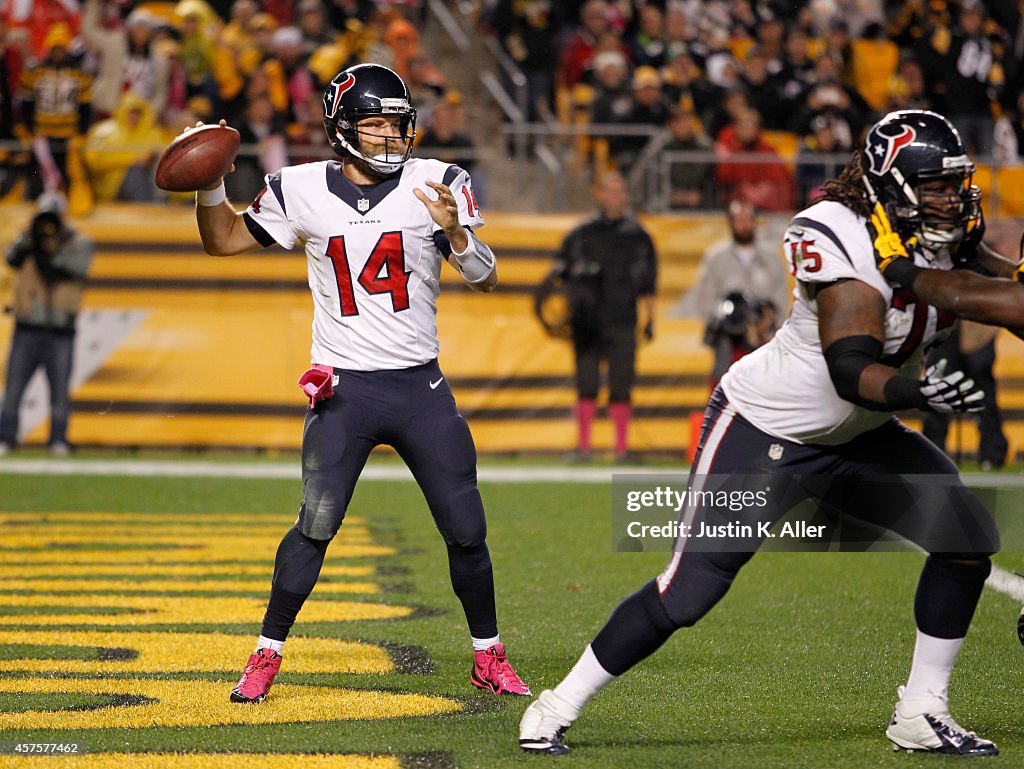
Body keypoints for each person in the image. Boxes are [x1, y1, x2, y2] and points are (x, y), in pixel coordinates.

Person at [520, 110, 1005, 757]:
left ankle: (921, 710)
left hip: (857, 433)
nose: (955, 198)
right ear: (892, 185)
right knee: (688, 591)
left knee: (967, 538)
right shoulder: (837, 232)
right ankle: (555, 704)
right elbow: (848, 366)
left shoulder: (941, 237)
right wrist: (916, 392)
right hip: (767, 429)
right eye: (938, 185)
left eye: (956, 183)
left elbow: (999, 294)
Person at [183, 63, 530, 703]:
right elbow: (224, 240)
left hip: (419, 387)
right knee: (315, 522)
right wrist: (209, 187)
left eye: (397, 125)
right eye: (374, 126)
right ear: (342, 129)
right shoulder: (300, 187)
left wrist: (455, 230)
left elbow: (485, 277)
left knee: (466, 526)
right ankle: (267, 651)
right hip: (345, 390)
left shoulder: (439, 182)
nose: (390, 138)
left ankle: (488, 655)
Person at [548, 172, 657, 463]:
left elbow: (649, 282)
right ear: (599, 194)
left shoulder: (638, 235)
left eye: (619, 191)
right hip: (587, 320)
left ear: (625, 196)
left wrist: (651, 320)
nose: (614, 196)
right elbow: (560, 272)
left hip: (623, 318)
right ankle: (585, 447)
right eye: (609, 190)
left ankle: (621, 448)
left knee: (622, 384)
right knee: (586, 383)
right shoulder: (582, 231)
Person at [0, 199, 93, 456]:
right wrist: (30, 238)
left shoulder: (77, 242)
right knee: (13, 389)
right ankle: (6, 438)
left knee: (60, 392)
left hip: (61, 330)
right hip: (27, 326)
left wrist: (52, 246)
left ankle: (58, 440)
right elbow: (10, 258)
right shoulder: (29, 240)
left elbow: (73, 268)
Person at [677, 199, 790, 387]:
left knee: (766, 386)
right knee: (723, 384)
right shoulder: (716, 258)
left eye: (748, 219)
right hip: (727, 338)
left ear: (754, 222)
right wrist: (727, 318)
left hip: (763, 337)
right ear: (730, 223)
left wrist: (768, 320)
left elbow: (780, 297)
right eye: (739, 220)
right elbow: (706, 297)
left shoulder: (771, 259)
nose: (744, 225)